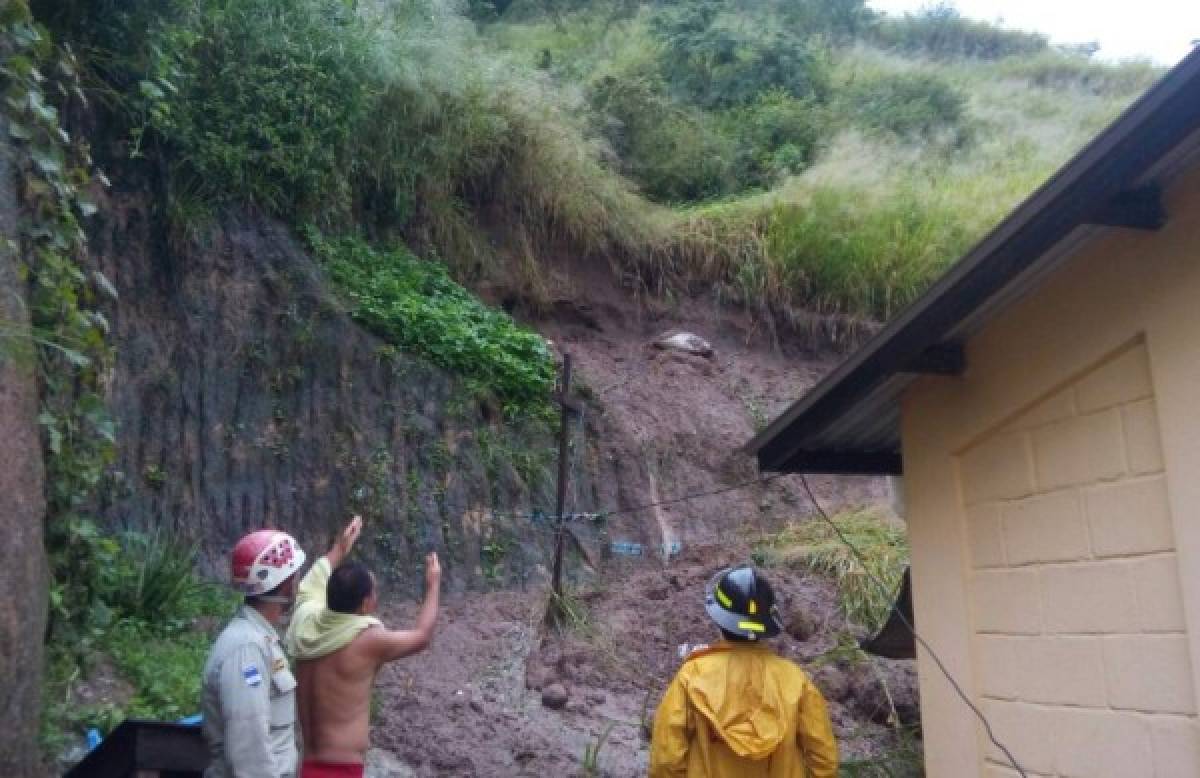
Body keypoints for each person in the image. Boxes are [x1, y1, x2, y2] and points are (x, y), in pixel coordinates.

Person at [285, 516, 441, 778]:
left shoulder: (304, 623)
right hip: (342, 770)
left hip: (307, 766)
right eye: (374, 593)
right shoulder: (366, 640)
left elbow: (312, 582)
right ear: (365, 604)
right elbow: (422, 636)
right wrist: (433, 583)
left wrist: (340, 547)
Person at [649, 565, 838, 778]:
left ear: (719, 619)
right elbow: (823, 757)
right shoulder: (795, 679)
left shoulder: (693, 675)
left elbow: (666, 758)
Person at [202, 529, 307, 778]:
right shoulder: (246, 648)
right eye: (295, 575)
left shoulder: (259, 638)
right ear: (285, 584)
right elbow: (248, 745)